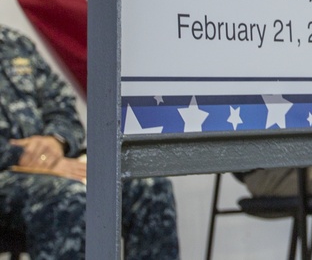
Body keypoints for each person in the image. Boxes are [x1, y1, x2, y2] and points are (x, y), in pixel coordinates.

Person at [0, 21, 179, 259]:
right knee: (69, 197)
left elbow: (62, 107)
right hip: (9, 173)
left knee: (149, 186)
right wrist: (26, 157)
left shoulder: (16, 44)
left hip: (51, 166)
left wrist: (55, 142)